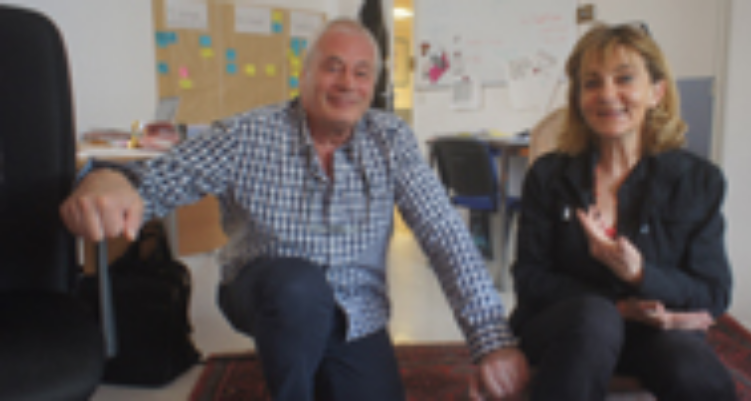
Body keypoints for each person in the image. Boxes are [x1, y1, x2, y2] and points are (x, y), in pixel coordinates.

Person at [61, 18, 528, 401]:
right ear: (303, 76)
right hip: (267, 290)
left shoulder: (391, 140)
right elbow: (157, 180)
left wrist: (491, 342)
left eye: (362, 72)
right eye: (333, 67)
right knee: (299, 290)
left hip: (357, 312)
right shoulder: (247, 135)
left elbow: (445, 234)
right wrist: (112, 180)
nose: (347, 83)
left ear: (374, 85)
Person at [510, 23, 737, 400]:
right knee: (596, 320)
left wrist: (641, 274)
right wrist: (617, 306)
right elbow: (529, 279)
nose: (607, 94)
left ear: (656, 92)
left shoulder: (698, 181)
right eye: (592, 83)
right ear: (578, 99)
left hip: (653, 333)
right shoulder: (548, 176)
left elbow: (712, 292)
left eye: (625, 78)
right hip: (564, 328)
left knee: (695, 372)